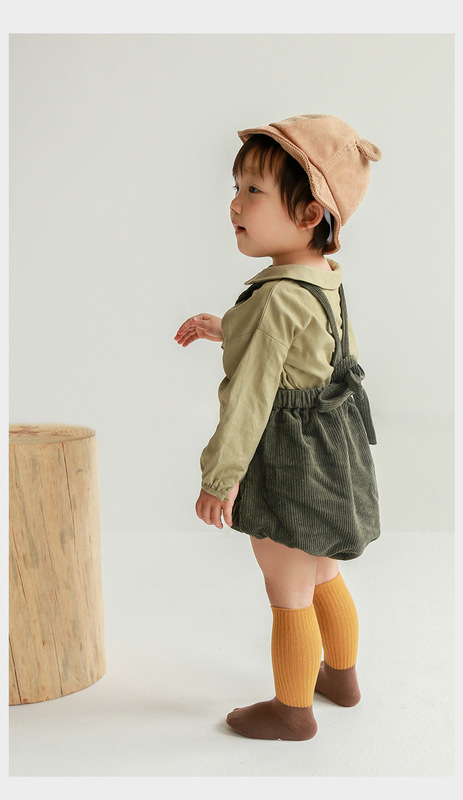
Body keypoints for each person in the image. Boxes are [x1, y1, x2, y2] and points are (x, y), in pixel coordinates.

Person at [174, 114, 382, 741]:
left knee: (288, 586)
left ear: (310, 214)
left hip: (288, 460)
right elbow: (314, 349)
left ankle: (292, 711)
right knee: (323, 571)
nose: (235, 204)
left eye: (253, 191)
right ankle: (341, 677)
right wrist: (231, 328)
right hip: (331, 452)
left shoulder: (272, 298)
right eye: (236, 188)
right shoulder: (324, 278)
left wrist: (220, 479)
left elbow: (249, 398)